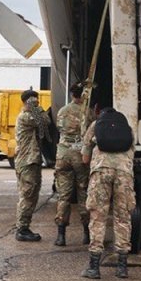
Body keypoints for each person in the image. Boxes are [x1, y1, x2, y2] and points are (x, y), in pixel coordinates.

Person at [80, 105, 136, 280]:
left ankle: (94, 268)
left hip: (101, 172)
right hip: (124, 174)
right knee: (123, 217)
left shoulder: (95, 125)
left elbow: (85, 157)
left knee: (98, 217)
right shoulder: (127, 128)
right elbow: (132, 153)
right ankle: (122, 267)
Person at [53, 82, 90, 246]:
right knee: (83, 193)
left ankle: (61, 235)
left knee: (64, 196)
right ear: (83, 95)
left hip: (63, 155)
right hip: (80, 155)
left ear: (71, 94)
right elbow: (90, 131)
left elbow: (59, 128)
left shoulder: (62, 111)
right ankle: (87, 234)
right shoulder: (86, 112)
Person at [14, 88, 50, 241]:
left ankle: (24, 227)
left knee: (31, 195)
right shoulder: (26, 117)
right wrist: (38, 107)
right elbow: (44, 121)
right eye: (34, 101)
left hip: (30, 161)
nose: (36, 103)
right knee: (28, 196)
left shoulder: (29, 115)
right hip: (27, 162)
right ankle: (22, 229)